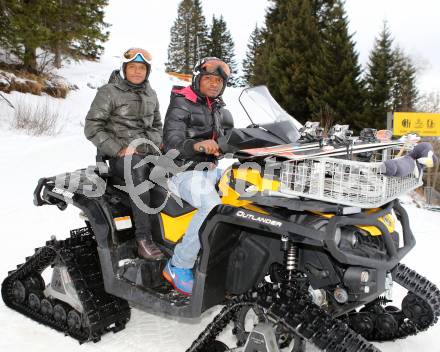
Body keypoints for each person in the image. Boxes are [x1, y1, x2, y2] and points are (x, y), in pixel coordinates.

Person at [161, 57, 234, 295]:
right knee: (211, 205)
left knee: (246, 190)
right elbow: (172, 141)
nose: (213, 84)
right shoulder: (182, 102)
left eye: (218, 81)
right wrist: (198, 145)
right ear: (197, 79)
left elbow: (228, 139)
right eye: (209, 79)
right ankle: (178, 265)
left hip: (209, 171)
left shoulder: (218, 108)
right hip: (183, 171)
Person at [84, 47, 164, 260]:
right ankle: (143, 239)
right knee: (137, 172)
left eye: (141, 68)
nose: (137, 72)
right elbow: (92, 127)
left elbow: (157, 125)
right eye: (132, 67)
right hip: (119, 157)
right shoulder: (109, 92)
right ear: (124, 68)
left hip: (147, 152)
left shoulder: (151, 94)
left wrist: (155, 145)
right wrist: (118, 149)